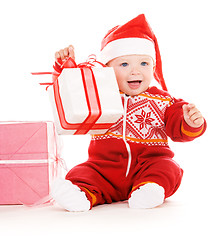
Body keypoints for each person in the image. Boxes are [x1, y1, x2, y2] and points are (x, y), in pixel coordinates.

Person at [51, 14, 206, 212]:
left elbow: (178, 126)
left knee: (169, 169)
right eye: (124, 64)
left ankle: (149, 190)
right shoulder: (99, 93)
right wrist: (66, 66)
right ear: (106, 69)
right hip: (104, 168)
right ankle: (78, 194)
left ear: (153, 67)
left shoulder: (164, 100)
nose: (135, 71)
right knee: (83, 172)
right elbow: (72, 91)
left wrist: (190, 121)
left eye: (144, 64)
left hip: (149, 165)